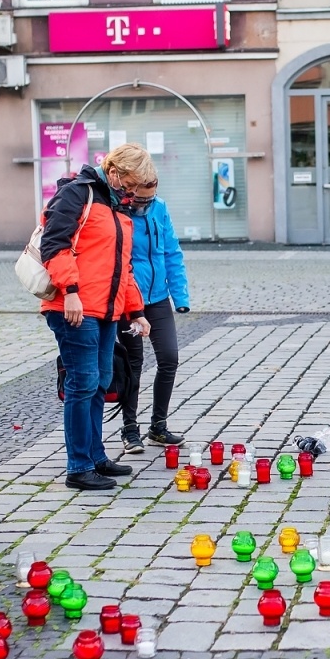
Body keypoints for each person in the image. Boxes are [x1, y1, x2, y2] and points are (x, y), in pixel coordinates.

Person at [41, 145, 150, 492]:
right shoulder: (77, 194)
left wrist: (136, 311)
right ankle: (79, 467)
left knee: (100, 382)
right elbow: (53, 245)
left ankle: (96, 456)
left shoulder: (118, 205)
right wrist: (70, 290)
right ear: (114, 171)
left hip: (105, 310)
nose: (131, 192)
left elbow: (123, 267)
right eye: (128, 184)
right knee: (83, 383)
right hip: (74, 308)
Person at [119, 169, 190, 454]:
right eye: (140, 199)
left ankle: (158, 427)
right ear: (130, 191)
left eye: (150, 199)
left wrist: (180, 295)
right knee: (133, 364)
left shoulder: (160, 208)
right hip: (128, 299)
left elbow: (172, 252)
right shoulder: (119, 212)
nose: (144, 205)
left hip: (158, 297)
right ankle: (129, 429)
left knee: (169, 358)